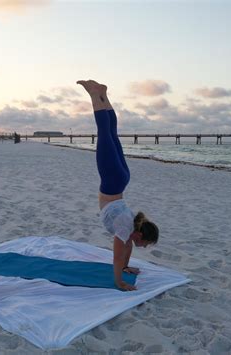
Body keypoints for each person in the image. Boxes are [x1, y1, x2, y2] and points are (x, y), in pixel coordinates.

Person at [77, 80, 159, 291]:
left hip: (122, 179)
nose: (145, 247)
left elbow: (126, 251)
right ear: (139, 235)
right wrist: (119, 282)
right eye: (146, 243)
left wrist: (127, 267)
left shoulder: (132, 229)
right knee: (105, 133)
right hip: (113, 181)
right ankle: (95, 95)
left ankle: (104, 94)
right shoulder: (125, 230)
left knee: (112, 134)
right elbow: (116, 257)